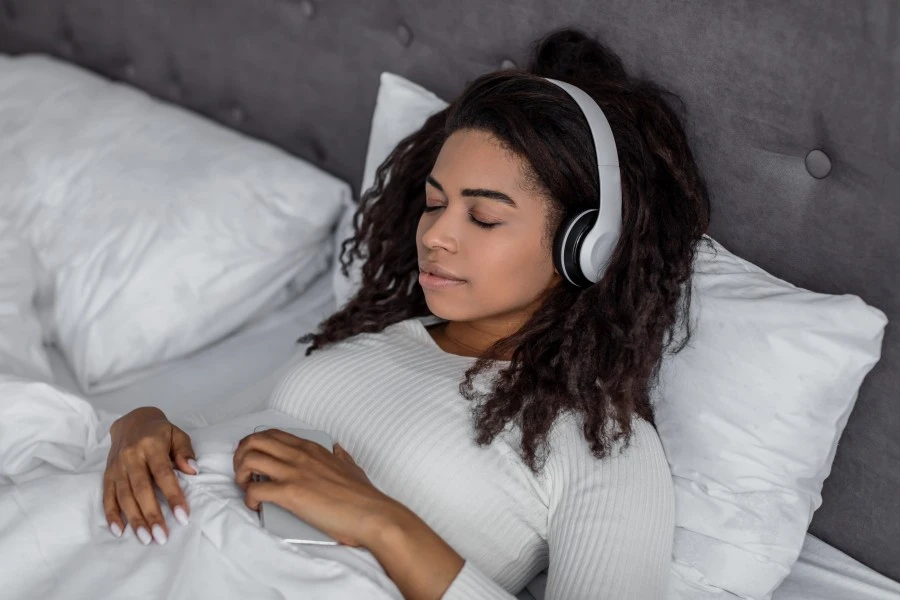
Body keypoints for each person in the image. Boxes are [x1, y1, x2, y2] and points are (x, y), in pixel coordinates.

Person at [102, 27, 711, 600]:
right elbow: (203, 428)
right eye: (434, 203)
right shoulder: (378, 337)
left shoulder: (601, 444)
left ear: (584, 246)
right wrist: (140, 423)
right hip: (126, 551)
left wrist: (381, 521)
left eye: (485, 217)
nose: (436, 236)